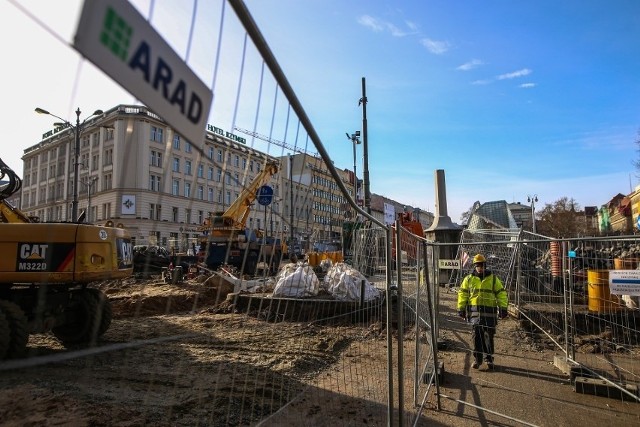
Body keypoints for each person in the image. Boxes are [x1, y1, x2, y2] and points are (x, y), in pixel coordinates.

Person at [457, 254, 508, 370]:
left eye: (482, 265)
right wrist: (461, 308)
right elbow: (463, 294)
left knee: (488, 336)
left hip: (489, 312)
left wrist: (503, 308)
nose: (480, 267)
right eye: (478, 265)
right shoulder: (468, 279)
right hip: (474, 312)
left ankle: (489, 359)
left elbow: (501, 293)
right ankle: (477, 359)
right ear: (475, 266)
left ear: (485, 265)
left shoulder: (493, 279)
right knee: (476, 336)